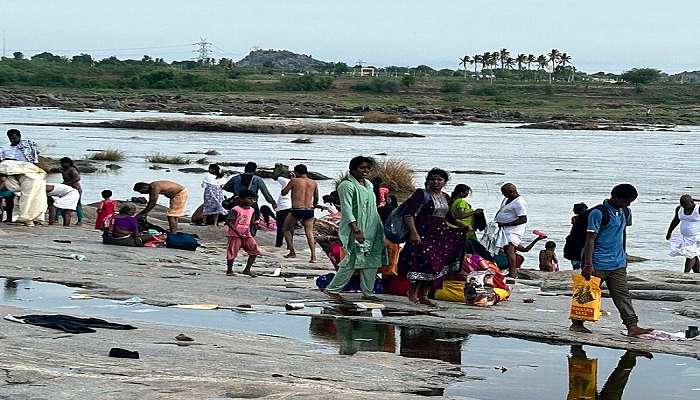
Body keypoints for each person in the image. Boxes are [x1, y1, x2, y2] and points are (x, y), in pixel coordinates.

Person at [569, 184, 653, 337]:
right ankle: (577, 324)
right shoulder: (598, 213)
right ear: (616, 197)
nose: (629, 204)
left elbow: (622, 232)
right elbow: (590, 239)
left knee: (622, 295)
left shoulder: (625, 211)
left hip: (617, 262)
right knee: (587, 293)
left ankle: (632, 326)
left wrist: (624, 254)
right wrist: (588, 264)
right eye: (627, 201)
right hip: (597, 262)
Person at [398, 168, 468, 306]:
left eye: (439, 180)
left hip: (440, 236)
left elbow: (449, 217)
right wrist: (414, 233)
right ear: (427, 181)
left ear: (444, 182)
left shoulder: (446, 197)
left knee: (436, 265)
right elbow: (408, 214)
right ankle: (412, 292)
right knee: (422, 263)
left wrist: (463, 226)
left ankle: (424, 295)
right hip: (423, 233)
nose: (436, 182)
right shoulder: (421, 194)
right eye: (433, 179)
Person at [325, 156, 387, 301]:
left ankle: (368, 292)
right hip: (357, 227)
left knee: (373, 259)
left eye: (367, 168)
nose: (365, 171)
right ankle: (332, 289)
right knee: (353, 258)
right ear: (353, 169)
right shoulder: (346, 185)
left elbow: (373, 205)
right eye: (362, 168)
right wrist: (355, 229)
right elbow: (346, 209)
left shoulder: (369, 185)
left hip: (373, 226)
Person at [222, 162, 277, 236]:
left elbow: (226, 187)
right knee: (253, 222)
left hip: (238, 203)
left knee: (235, 221)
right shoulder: (257, 179)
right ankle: (250, 236)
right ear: (255, 170)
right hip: (252, 204)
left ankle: (236, 236)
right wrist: (273, 202)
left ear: (245, 169)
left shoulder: (235, 178)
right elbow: (266, 193)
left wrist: (237, 192)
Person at [281, 164, 319, 262]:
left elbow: (284, 193)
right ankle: (313, 256)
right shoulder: (314, 182)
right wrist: (313, 206)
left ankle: (292, 251)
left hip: (297, 210)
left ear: (296, 172)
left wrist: (291, 180)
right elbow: (316, 198)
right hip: (309, 210)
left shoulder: (294, 180)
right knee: (309, 233)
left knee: (286, 229)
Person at [1, 129, 40, 222]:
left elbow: (34, 161)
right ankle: (9, 218)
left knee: (27, 197)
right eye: (11, 138)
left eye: (14, 138)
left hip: (25, 174)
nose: (13, 140)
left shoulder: (27, 147)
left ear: (19, 137)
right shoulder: (5, 148)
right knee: (9, 197)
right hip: (10, 174)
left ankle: (28, 217)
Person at [495, 183, 530, 278]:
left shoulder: (519, 202)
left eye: (504, 193)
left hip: (514, 229)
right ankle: (511, 270)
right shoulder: (507, 199)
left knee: (510, 249)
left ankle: (512, 272)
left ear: (511, 191)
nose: (503, 195)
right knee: (506, 249)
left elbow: (523, 219)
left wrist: (505, 223)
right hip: (505, 229)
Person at [225, 190, 262, 277]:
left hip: (246, 233)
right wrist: (237, 231)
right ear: (241, 199)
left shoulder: (252, 210)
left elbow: (251, 221)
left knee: (254, 250)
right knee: (232, 252)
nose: (252, 201)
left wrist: (255, 223)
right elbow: (229, 221)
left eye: (253, 199)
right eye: (249, 199)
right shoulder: (236, 209)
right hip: (235, 234)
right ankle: (229, 270)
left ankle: (247, 269)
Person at [0, 160, 47, 226]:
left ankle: (26, 219)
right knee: (38, 199)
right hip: (39, 178)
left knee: (26, 200)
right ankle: (37, 218)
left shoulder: (3, 166)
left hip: (29, 180)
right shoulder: (12, 163)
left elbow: (14, 187)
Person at [666, 194, 700, 273]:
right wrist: (669, 232)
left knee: (690, 254)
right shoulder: (679, 209)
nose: (685, 207)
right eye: (683, 205)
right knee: (693, 254)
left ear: (692, 202)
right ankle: (698, 274)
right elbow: (675, 220)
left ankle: (685, 273)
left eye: (686, 205)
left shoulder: (698, 209)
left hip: (697, 237)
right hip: (685, 237)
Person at [272, 166, 292, 248]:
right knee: (290, 227)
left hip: (282, 207)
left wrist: (279, 168)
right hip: (291, 206)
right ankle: (289, 245)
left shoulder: (285, 181)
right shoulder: (296, 183)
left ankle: (279, 244)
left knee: (280, 226)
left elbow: (275, 177)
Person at [60, 157, 83, 225]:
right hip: (67, 188)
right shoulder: (63, 169)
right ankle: (56, 218)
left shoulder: (72, 169)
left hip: (75, 188)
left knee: (78, 204)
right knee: (60, 202)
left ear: (68, 163)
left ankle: (80, 221)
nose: (62, 164)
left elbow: (78, 178)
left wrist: (67, 183)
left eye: (63, 163)